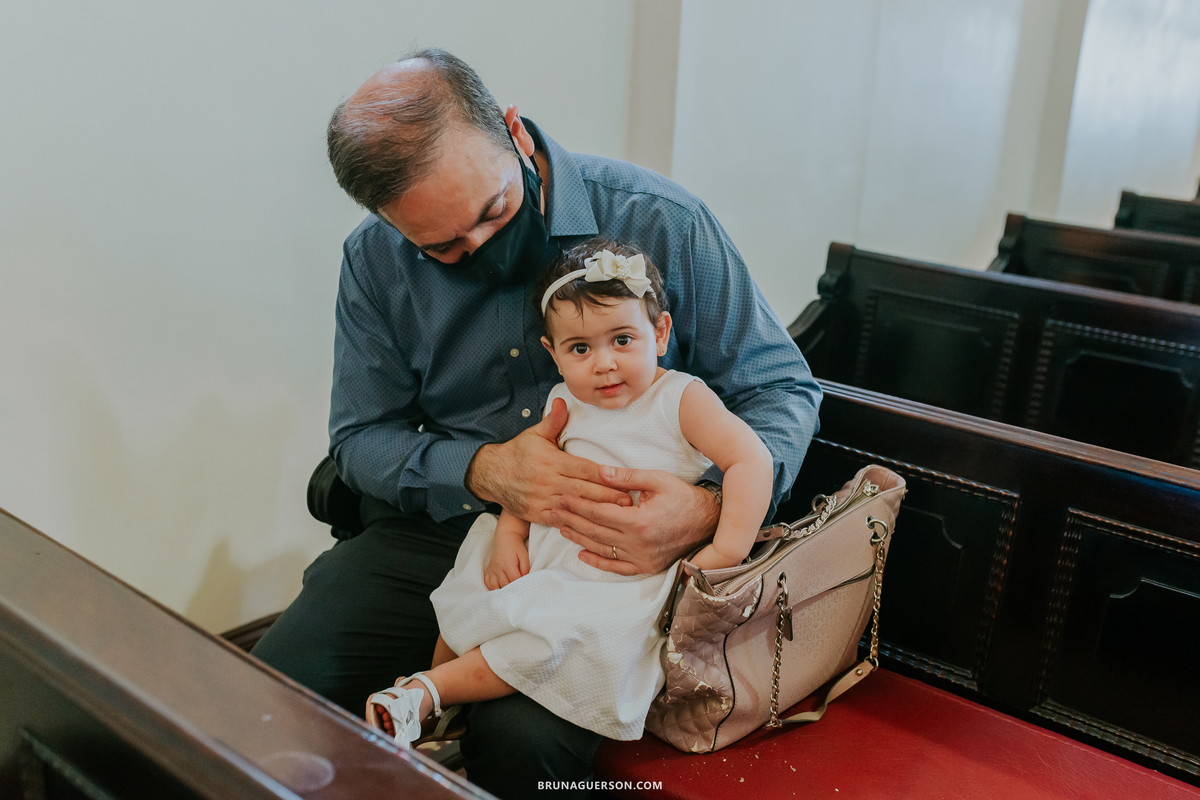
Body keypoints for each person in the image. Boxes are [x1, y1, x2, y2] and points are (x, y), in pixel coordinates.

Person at [250, 47, 821, 798]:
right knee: (275, 692)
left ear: (515, 134)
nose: (480, 254)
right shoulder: (376, 262)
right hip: (456, 531)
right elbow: (362, 439)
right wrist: (486, 472)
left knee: (520, 744)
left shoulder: (660, 220)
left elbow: (780, 388)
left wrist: (708, 508)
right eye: (443, 248)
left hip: (624, 559)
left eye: (493, 214)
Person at [364, 240, 774, 747]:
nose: (603, 364)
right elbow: (530, 476)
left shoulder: (681, 400)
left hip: (616, 569)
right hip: (546, 541)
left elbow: (750, 458)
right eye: (580, 348)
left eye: (622, 340)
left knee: (553, 637)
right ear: (553, 354)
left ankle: (425, 692)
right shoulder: (563, 401)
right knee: (468, 601)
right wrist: (510, 536)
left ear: (660, 332)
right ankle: (436, 720)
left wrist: (727, 548)